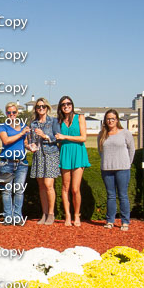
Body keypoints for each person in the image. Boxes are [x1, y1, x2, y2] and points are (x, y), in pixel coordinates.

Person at [56, 96, 90, 226]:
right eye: (63, 104)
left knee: (75, 189)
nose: (66, 106)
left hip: (78, 153)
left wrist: (65, 136)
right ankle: (68, 215)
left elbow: (83, 138)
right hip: (65, 153)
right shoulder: (59, 121)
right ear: (60, 107)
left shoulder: (79, 117)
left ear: (72, 105)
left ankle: (76, 215)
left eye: (68, 103)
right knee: (65, 187)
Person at [98, 109, 135, 231]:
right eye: (108, 119)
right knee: (111, 196)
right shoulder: (102, 134)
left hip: (122, 169)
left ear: (117, 120)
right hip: (107, 169)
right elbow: (100, 151)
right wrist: (106, 161)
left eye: (112, 119)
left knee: (123, 195)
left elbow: (131, 149)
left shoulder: (125, 133)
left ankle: (125, 222)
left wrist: (127, 163)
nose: (110, 121)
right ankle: (110, 221)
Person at [28, 98, 61, 226]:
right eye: (38, 106)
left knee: (48, 185)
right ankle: (44, 213)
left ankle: (51, 213)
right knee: (41, 186)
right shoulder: (33, 124)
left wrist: (45, 136)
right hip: (38, 155)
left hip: (51, 154)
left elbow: (58, 137)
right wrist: (31, 146)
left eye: (43, 106)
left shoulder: (53, 121)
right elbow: (31, 140)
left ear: (47, 108)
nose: (41, 108)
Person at [0, 102, 30, 225]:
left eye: (14, 112)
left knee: (19, 190)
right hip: (7, 163)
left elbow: (25, 143)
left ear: (17, 113)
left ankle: (17, 216)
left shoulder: (23, 126)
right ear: (6, 113)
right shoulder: (3, 127)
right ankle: (8, 216)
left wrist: (31, 147)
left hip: (21, 163)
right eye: (9, 112)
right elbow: (6, 141)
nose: (12, 114)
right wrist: (21, 133)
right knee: (6, 191)